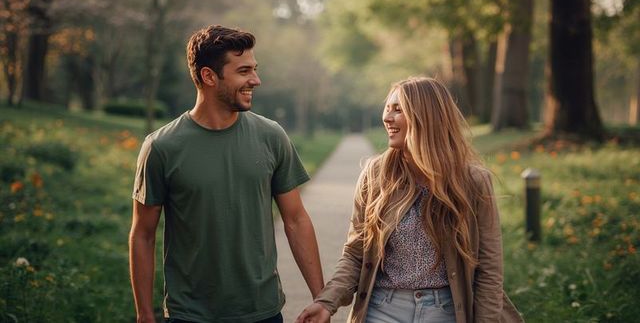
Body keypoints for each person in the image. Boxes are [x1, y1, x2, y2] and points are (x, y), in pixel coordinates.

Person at [129, 25, 324, 323]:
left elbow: (296, 220)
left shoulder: (271, 136)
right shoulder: (161, 147)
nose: (255, 80)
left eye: (255, 70)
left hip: (262, 312)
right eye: (244, 71)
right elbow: (142, 234)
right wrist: (144, 314)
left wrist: (321, 299)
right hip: (189, 315)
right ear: (209, 76)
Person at [296, 77, 523, 323]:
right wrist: (326, 301)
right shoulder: (376, 174)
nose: (387, 118)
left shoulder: (472, 181)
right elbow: (355, 254)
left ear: (426, 117)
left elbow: (489, 270)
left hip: (446, 311)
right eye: (387, 108)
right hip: (382, 309)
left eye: (398, 110)